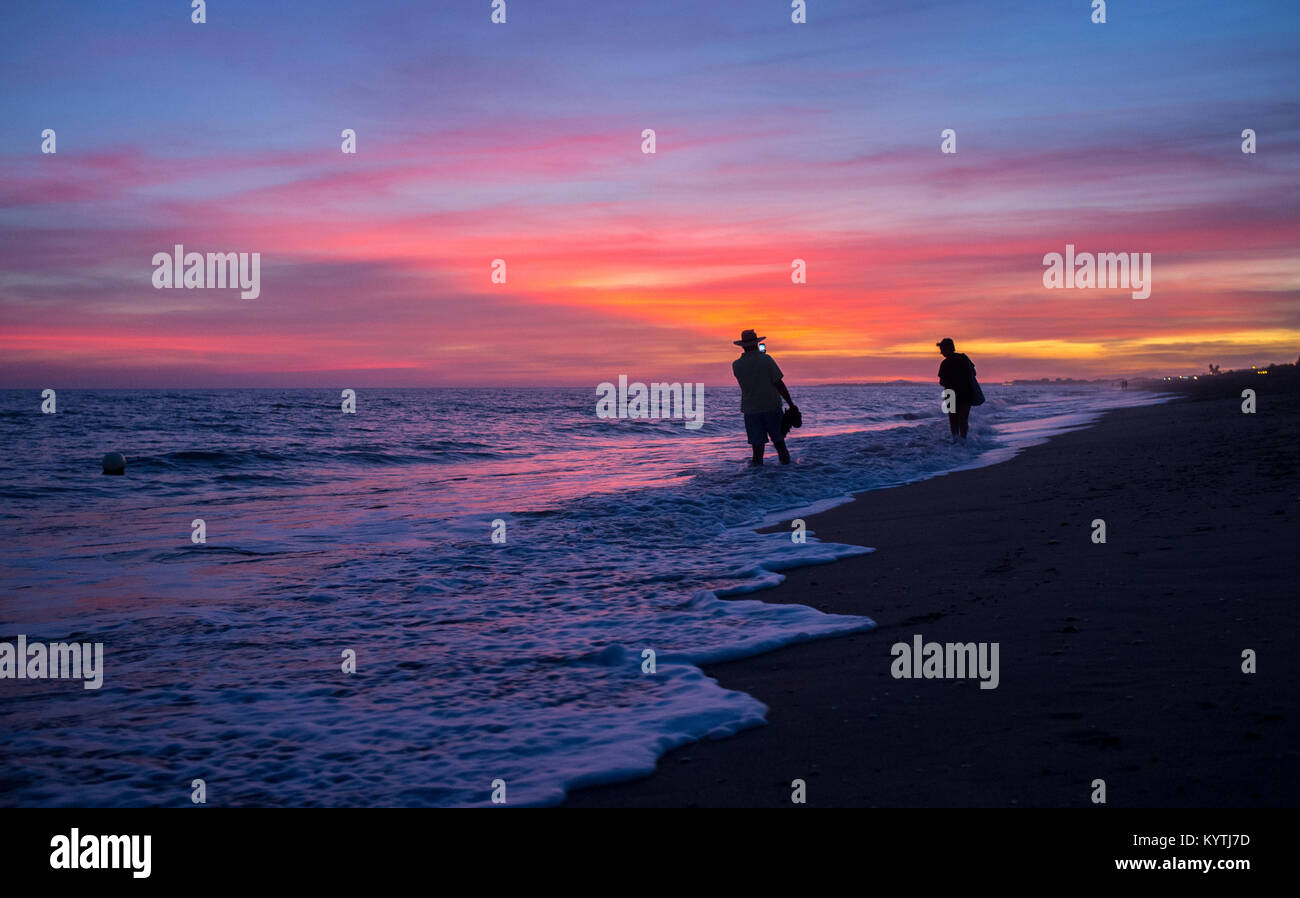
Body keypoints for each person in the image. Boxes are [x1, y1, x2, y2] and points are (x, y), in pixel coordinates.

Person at [731, 329, 796, 465]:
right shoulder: (766, 360)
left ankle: (758, 481)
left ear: (742, 346)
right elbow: (779, 383)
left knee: (757, 450)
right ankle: (787, 474)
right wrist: (790, 403)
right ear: (757, 344)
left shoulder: (736, 365)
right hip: (771, 406)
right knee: (779, 444)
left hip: (751, 410)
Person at [936, 337, 976, 442]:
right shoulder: (964, 358)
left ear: (948, 348)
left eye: (942, 349)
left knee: (953, 420)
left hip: (950, 394)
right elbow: (974, 374)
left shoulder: (945, 363)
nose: (941, 352)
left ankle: (955, 441)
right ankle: (963, 441)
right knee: (963, 419)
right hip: (966, 393)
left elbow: (941, 381)